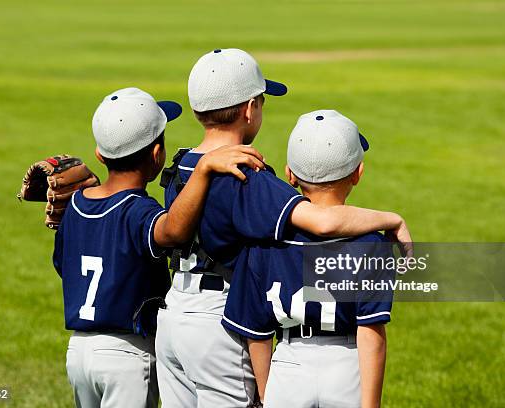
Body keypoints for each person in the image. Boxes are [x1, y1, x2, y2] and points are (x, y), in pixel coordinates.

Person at [155, 49, 411, 407]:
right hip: (219, 319)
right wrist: (391, 218)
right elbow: (322, 221)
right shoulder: (247, 176)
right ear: (249, 109)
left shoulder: (182, 166)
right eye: (261, 102)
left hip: (172, 316)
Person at [52, 87, 265, 408]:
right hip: (126, 356)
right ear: (157, 154)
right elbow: (174, 231)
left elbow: (62, 265)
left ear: (99, 154)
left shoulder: (77, 206)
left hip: (78, 354)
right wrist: (204, 170)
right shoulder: (139, 210)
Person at [223, 110, 394, 408]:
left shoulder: (265, 240)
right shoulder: (371, 243)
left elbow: (258, 333)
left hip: (289, 364)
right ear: (358, 173)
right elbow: (371, 333)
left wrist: (265, 393)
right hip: (346, 364)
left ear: (290, 175)